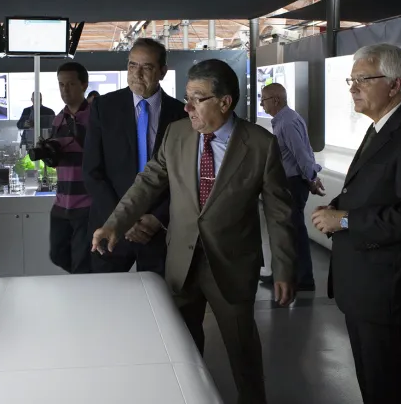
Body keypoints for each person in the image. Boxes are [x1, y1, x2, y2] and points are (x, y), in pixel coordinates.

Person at [91, 59, 296, 404]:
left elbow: (279, 212)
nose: (187, 107)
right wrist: (115, 222)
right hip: (181, 261)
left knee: (242, 350)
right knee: (182, 348)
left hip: (231, 264)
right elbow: (148, 182)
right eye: (186, 97)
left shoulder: (259, 144)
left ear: (224, 102)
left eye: (197, 98)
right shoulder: (177, 133)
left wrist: (285, 268)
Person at [311, 43, 401, 404]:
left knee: (388, 386)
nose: (353, 88)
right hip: (366, 286)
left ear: (395, 84)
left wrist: (345, 218)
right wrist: (339, 205)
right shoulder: (381, 127)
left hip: (387, 289)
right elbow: (377, 190)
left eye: (363, 79)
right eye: (351, 80)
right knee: (374, 384)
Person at [83, 38, 187, 275]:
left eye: (147, 67)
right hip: (110, 229)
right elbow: (92, 171)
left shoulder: (181, 114)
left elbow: (183, 177)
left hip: (158, 228)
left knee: (160, 304)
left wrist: (157, 217)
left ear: (162, 71)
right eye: (132, 66)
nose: (137, 74)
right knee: (106, 302)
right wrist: (122, 221)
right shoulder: (103, 108)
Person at [258, 82, 324, 292]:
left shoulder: (286, 123)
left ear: (276, 100)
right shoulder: (287, 119)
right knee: (285, 230)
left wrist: (312, 178)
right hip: (290, 182)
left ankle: (304, 278)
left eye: (264, 99)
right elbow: (306, 150)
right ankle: (282, 274)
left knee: (293, 230)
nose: (261, 103)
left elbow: (302, 155)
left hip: (292, 184)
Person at [48, 62, 92, 274]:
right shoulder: (58, 119)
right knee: (58, 254)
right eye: (61, 85)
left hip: (87, 202)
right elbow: (58, 159)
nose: (65, 90)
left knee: (83, 263)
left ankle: (83, 301)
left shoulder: (96, 116)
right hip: (62, 202)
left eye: (71, 84)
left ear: (83, 85)